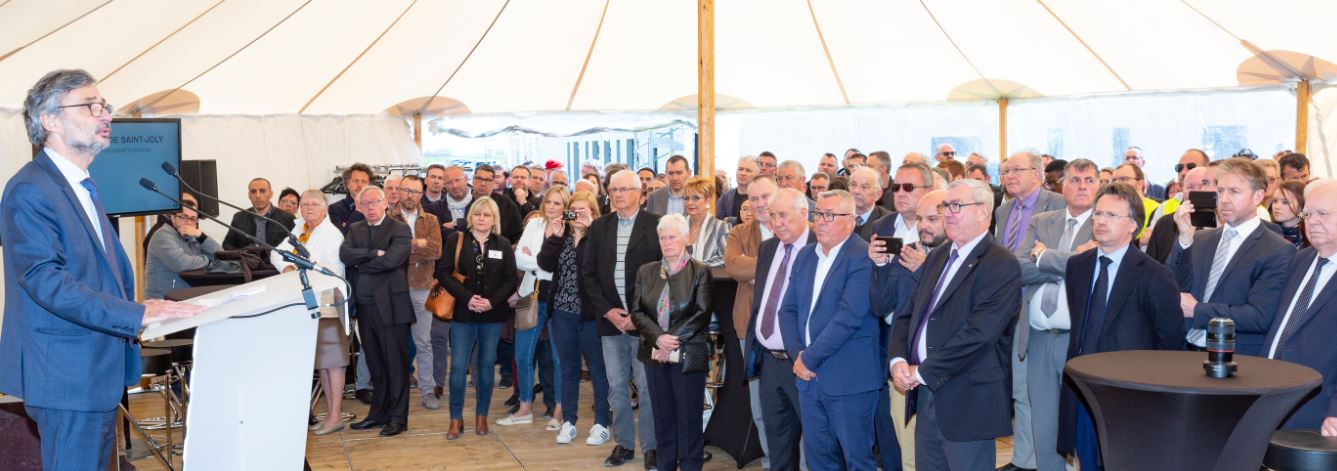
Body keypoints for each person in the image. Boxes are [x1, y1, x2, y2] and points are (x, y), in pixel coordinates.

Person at [1, 69, 204, 470]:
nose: (105, 114)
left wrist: (138, 307)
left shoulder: (82, 186)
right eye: (91, 105)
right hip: (65, 373)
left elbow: (95, 275)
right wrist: (136, 313)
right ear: (51, 120)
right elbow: (46, 280)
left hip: (92, 369)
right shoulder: (31, 189)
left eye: (104, 105)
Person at [890, 179, 1021, 470]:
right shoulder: (938, 255)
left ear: (983, 212)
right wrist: (898, 359)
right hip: (926, 394)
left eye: (956, 206)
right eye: (945, 206)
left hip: (968, 400)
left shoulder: (1000, 263)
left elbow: (978, 335)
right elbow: (908, 315)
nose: (948, 213)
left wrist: (922, 370)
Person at [1058, 183, 1185, 471]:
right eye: (1098, 213)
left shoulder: (1155, 276)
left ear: (1133, 225)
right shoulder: (1077, 266)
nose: (1101, 221)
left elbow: (1171, 346)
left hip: (1128, 397)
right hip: (1081, 390)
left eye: (1112, 215)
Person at [774, 190, 880, 469]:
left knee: (857, 460)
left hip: (848, 378)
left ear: (851, 220)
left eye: (829, 215)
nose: (820, 221)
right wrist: (798, 355)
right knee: (818, 460)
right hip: (808, 378)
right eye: (818, 213)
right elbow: (788, 310)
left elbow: (849, 317)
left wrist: (808, 358)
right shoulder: (807, 255)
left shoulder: (862, 256)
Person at [1016, 159, 1099, 471]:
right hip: (1038, 338)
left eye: (1089, 180)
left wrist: (1044, 257)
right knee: (1045, 424)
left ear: (1098, 185)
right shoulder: (1043, 219)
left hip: (1077, 341)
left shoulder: (1104, 222)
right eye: (1075, 180)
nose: (1082, 186)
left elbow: (1092, 269)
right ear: (1061, 187)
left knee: (1082, 424)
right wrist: (1070, 261)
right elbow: (1019, 267)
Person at [1169, 158, 1295, 356]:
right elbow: (1173, 287)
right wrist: (1184, 240)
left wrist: (1197, 310)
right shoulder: (1201, 239)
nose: (1224, 199)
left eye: (1234, 192)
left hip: (1234, 357)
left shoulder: (1276, 250)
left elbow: (1260, 316)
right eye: (1220, 191)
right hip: (1186, 349)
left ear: (1258, 196)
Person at [582, 170, 663, 469]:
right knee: (616, 386)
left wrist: (637, 315)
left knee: (647, 388)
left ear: (639, 193)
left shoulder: (656, 226)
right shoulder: (600, 227)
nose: (617, 194)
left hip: (645, 323)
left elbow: (662, 276)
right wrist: (608, 311)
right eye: (613, 190)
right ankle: (624, 444)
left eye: (624, 189)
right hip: (610, 321)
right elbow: (588, 275)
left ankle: (652, 448)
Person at [869, 188, 950, 471]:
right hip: (904, 369)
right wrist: (880, 264)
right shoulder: (909, 251)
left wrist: (925, 270)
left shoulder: (960, 260)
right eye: (920, 219)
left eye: (932, 219)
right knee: (909, 453)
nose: (924, 226)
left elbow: (952, 311)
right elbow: (883, 306)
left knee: (939, 454)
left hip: (944, 374)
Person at [995, 152, 1064, 471]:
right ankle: (1024, 460)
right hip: (1007, 308)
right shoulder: (1003, 208)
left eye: (1016, 170)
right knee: (1020, 390)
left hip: (1041, 308)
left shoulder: (1057, 204)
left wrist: (1030, 266)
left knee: (1045, 395)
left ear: (1037, 172)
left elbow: (1060, 263)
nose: (1008, 175)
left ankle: (1047, 460)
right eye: (1004, 170)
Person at [629, 214, 714, 471]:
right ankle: (665, 465)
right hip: (654, 354)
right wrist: (658, 339)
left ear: (685, 239)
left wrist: (669, 341)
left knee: (688, 420)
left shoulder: (700, 271)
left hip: (688, 354)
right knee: (662, 418)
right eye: (662, 237)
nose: (667, 242)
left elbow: (701, 313)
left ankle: (690, 466)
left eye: (672, 237)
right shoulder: (646, 271)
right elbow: (637, 312)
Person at [742, 188, 814, 471]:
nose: (777, 223)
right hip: (770, 362)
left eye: (783, 215)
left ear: (804, 213)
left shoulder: (820, 248)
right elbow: (761, 301)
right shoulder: (768, 248)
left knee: (816, 444)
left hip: (804, 361)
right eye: (772, 217)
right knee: (778, 444)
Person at [437, 196, 519, 440]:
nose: (482, 218)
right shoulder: (456, 239)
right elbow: (442, 272)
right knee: (459, 367)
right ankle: (455, 418)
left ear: (494, 220)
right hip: (463, 313)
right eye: (478, 214)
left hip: (492, 315)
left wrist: (491, 301)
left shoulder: (502, 244)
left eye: (487, 215)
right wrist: (467, 297)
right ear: (471, 216)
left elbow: (510, 279)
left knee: (485, 367)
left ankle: (481, 416)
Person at [271, 189, 349, 435]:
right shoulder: (299, 229)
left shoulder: (331, 234)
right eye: (304, 205)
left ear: (325, 207)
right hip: (306, 303)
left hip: (327, 302)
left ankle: (335, 415)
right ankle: (330, 415)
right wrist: (287, 268)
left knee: (333, 363)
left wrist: (299, 269)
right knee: (322, 363)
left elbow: (331, 269)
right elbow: (275, 253)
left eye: (314, 204)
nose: (308, 209)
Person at [1262, 179, 1337, 433]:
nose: (1312, 221)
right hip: (1271, 396)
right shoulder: (1301, 259)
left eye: (1323, 214)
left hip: (1319, 411)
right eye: (1307, 213)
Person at [540, 190, 613, 445]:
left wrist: (592, 231)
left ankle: (602, 423)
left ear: (594, 214)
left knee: (598, 371)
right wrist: (554, 237)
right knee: (568, 369)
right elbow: (545, 264)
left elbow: (605, 266)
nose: (578, 216)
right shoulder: (562, 237)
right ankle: (569, 421)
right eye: (575, 211)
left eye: (585, 211)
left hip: (592, 316)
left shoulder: (601, 237)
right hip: (562, 314)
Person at [340, 187, 414, 437]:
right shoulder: (355, 229)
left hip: (391, 307)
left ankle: (398, 418)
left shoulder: (400, 229)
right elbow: (345, 255)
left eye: (375, 202)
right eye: (366, 203)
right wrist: (372, 255)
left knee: (395, 364)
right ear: (359, 206)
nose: (370, 207)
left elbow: (392, 260)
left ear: (385, 204)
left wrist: (362, 264)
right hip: (364, 307)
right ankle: (378, 414)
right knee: (375, 364)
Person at [499, 187, 570, 427]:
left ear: (565, 206)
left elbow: (563, 266)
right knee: (521, 353)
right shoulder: (534, 225)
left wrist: (535, 262)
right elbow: (518, 258)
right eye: (548, 201)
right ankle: (525, 406)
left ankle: (560, 410)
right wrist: (543, 264)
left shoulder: (570, 229)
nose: (551, 206)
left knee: (559, 358)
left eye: (557, 203)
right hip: (529, 294)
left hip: (560, 298)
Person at [724, 176, 780, 466]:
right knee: (758, 403)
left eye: (765, 197)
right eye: (753, 199)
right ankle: (771, 460)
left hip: (790, 332)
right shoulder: (739, 233)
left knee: (793, 405)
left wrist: (755, 267)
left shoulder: (798, 229)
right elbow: (733, 266)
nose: (759, 204)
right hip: (749, 328)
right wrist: (775, 264)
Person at [389, 176, 443, 411]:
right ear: (398, 192)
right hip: (395, 289)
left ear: (421, 194)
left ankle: (428, 391)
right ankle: (393, 391)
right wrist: (418, 245)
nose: (410, 195)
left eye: (415, 191)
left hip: (422, 288)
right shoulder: (388, 219)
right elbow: (388, 254)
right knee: (393, 343)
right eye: (406, 190)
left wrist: (406, 246)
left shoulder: (430, 219)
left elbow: (436, 251)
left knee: (424, 342)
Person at [145, 193, 224, 299]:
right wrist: (208, 261)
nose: (188, 223)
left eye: (193, 219)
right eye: (184, 217)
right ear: (173, 218)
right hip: (164, 301)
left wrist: (202, 236)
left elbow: (222, 256)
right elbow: (180, 263)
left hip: (187, 297)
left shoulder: (193, 236)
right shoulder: (162, 234)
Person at [222, 177, 298, 258]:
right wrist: (243, 254)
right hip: (247, 266)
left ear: (271, 194)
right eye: (253, 191)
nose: (258, 196)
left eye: (262, 191)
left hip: (277, 268)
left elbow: (297, 247)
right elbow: (227, 245)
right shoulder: (239, 217)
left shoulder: (288, 218)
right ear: (249, 195)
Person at [682, 176, 731, 267]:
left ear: (707, 200)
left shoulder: (721, 227)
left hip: (711, 279)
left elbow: (727, 258)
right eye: (686, 198)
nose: (690, 202)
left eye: (696, 198)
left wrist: (697, 267)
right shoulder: (679, 225)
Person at [472, 164, 524, 243]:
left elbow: (518, 234)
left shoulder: (506, 204)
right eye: (479, 178)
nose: (483, 183)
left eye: (487, 180)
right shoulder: (464, 201)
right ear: (473, 179)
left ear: (493, 182)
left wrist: (507, 250)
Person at [1112, 163, 1160, 243]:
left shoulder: (1156, 209)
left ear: (1140, 184)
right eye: (1114, 180)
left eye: (1124, 179)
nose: (1117, 183)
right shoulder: (1110, 209)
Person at [329, 164, 372, 234]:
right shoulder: (334, 209)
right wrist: (358, 211)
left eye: (364, 181)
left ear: (369, 185)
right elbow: (341, 237)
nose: (359, 185)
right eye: (355, 181)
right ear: (347, 184)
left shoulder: (379, 207)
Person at [849, 167, 891, 240]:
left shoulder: (888, 221)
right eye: (853, 185)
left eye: (864, 187)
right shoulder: (837, 215)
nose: (856, 191)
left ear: (878, 194)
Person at [1272, 180, 1310, 249]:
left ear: (1302, 205)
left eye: (1285, 202)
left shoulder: (1313, 233)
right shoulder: (1267, 232)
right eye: (1274, 201)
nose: (1276, 206)